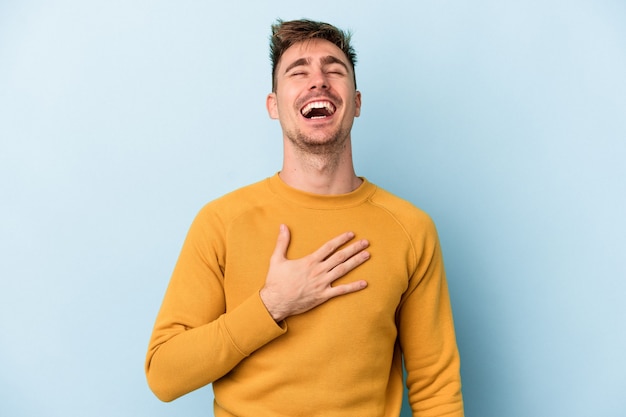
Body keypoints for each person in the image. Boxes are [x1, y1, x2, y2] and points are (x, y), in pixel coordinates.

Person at [145, 18, 464, 417]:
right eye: (299, 72)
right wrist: (271, 304)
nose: (319, 81)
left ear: (357, 102)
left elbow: (436, 391)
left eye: (334, 70)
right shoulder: (222, 222)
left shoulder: (411, 229)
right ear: (274, 106)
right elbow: (164, 374)